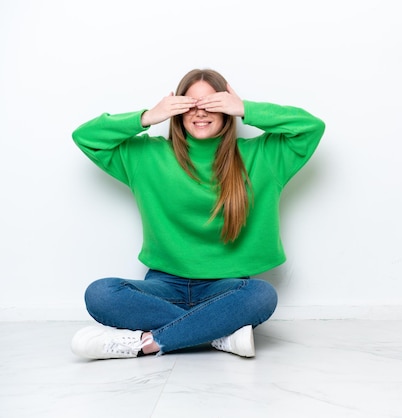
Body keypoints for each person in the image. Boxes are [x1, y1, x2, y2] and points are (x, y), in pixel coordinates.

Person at [70, 68, 325, 360]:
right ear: (176, 109)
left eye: (211, 103)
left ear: (225, 107)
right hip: (164, 284)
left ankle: (146, 343)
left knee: (262, 295)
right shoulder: (145, 156)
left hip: (227, 288)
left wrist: (245, 109)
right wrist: (147, 117)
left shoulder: (263, 157)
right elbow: (86, 136)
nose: (200, 112)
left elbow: (311, 128)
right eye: (190, 104)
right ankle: (219, 332)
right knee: (100, 294)